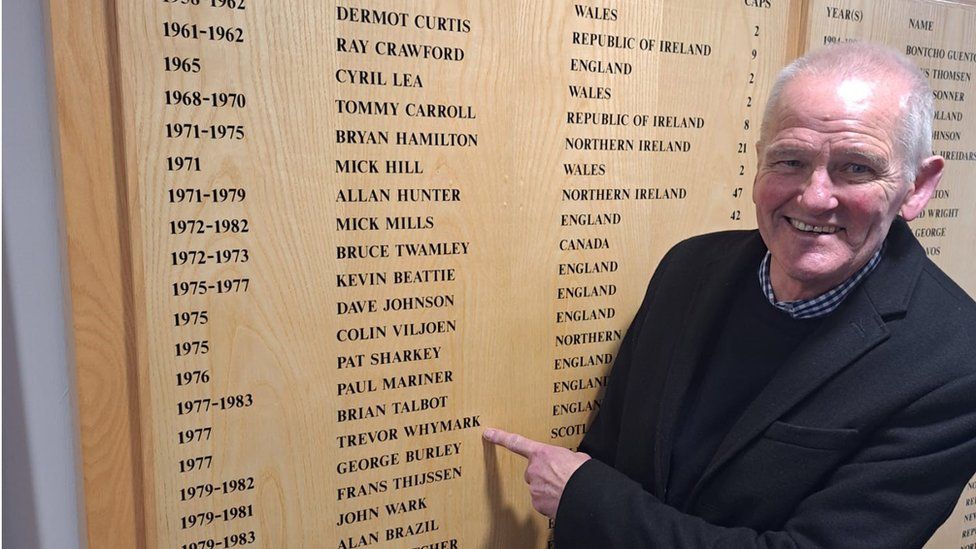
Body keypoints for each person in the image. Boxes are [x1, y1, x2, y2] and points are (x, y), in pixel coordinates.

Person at [484, 42, 976, 548]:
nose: (814, 196)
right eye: (790, 160)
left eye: (857, 168)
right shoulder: (689, 269)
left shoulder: (955, 364)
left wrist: (586, 498)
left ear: (918, 186)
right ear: (759, 159)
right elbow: (611, 450)